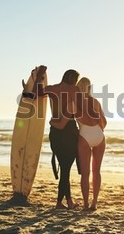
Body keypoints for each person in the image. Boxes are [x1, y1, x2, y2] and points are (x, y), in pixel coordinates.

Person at [34, 66, 80, 209]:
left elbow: (37, 92)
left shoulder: (52, 89)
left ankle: (65, 201)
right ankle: (62, 202)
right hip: (70, 131)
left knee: (64, 168)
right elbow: (79, 109)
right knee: (66, 169)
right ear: (72, 78)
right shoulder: (75, 90)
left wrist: (39, 76)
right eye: (76, 80)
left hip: (55, 131)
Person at [75, 77, 107, 210]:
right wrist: (97, 128)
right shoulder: (95, 102)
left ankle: (86, 204)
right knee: (96, 171)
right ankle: (94, 203)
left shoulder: (74, 102)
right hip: (99, 136)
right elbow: (104, 122)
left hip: (84, 136)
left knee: (85, 173)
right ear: (89, 88)